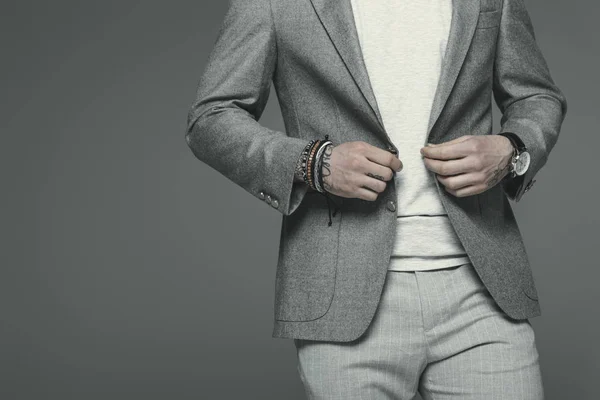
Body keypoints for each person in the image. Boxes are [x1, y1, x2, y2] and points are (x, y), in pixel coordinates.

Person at [185, 0, 567, 398]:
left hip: (484, 289)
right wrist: (314, 162)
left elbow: (537, 96)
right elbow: (211, 118)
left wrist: (512, 150)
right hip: (345, 293)